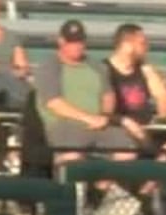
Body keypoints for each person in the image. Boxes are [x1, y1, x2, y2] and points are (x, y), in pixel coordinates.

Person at [34, 19, 137, 166]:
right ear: (61, 41)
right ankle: (72, 186)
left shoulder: (97, 66)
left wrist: (104, 116)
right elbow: (54, 103)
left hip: (97, 124)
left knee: (126, 149)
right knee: (71, 154)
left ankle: (105, 185)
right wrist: (88, 118)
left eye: (80, 41)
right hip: (64, 124)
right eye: (72, 42)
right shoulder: (50, 66)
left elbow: (108, 95)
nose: (77, 46)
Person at [105, 23, 166, 157]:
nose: (146, 48)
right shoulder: (105, 70)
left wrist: (162, 121)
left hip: (146, 129)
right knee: (127, 151)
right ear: (127, 45)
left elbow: (163, 98)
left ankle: (155, 178)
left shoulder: (144, 70)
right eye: (142, 43)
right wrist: (126, 122)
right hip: (119, 129)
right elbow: (103, 111)